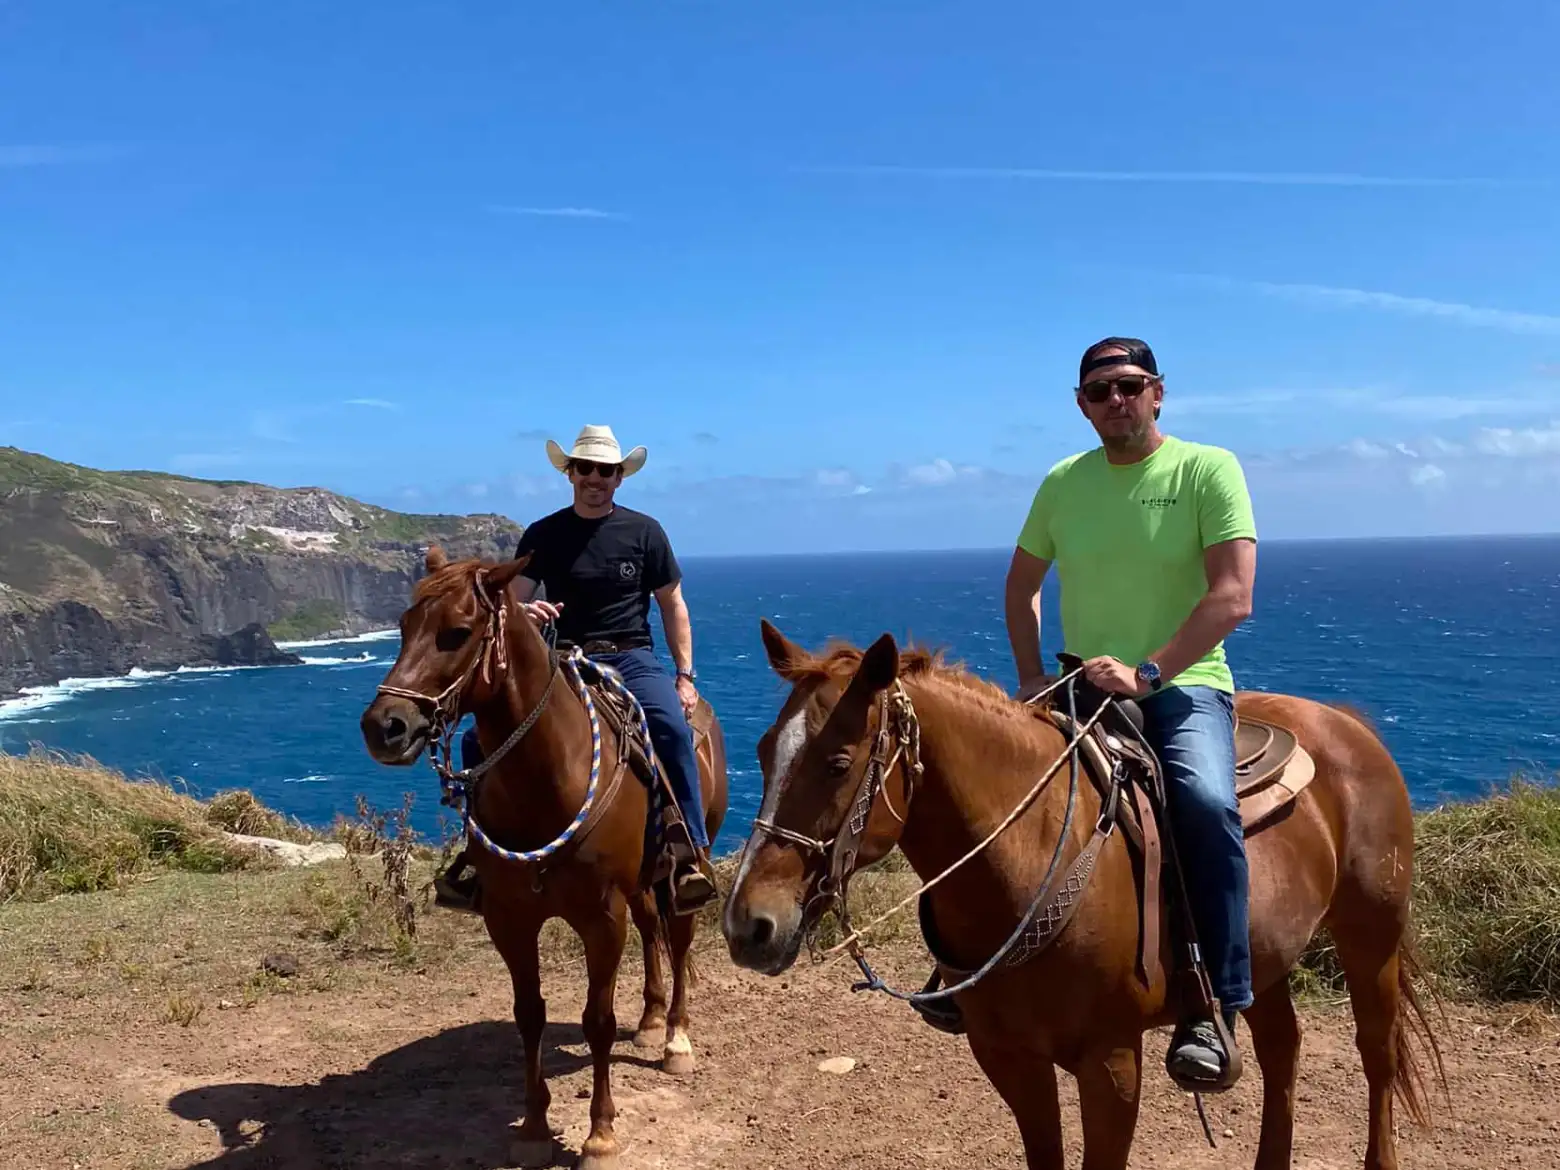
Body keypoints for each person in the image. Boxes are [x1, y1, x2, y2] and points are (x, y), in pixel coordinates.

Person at [918, 337, 1258, 1090]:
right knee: (979, 799)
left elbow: (1233, 595)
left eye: (1130, 385)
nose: (1116, 401)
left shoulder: (1208, 468)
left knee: (1204, 803)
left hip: (1181, 684)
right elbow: (1021, 588)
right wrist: (1033, 674)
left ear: (1159, 392)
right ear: (1081, 405)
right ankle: (958, 967)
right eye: (1100, 391)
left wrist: (1147, 673)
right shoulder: (1062, 482)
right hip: (1076, 686)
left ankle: (1215, 1000)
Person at [435, 424, 718, 916]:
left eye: (605, 471)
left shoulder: (645, 532)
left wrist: (684, 675)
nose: (595, 478)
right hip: (561, 657)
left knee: (671, 727)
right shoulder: (544, 534)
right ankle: (478, 858)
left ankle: (689, 853)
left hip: (631, 656)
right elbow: (510, 607)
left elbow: (673, 605)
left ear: (619, 478)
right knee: (476, 740)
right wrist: (526, 615)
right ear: (570, 473)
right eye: (585, 468)